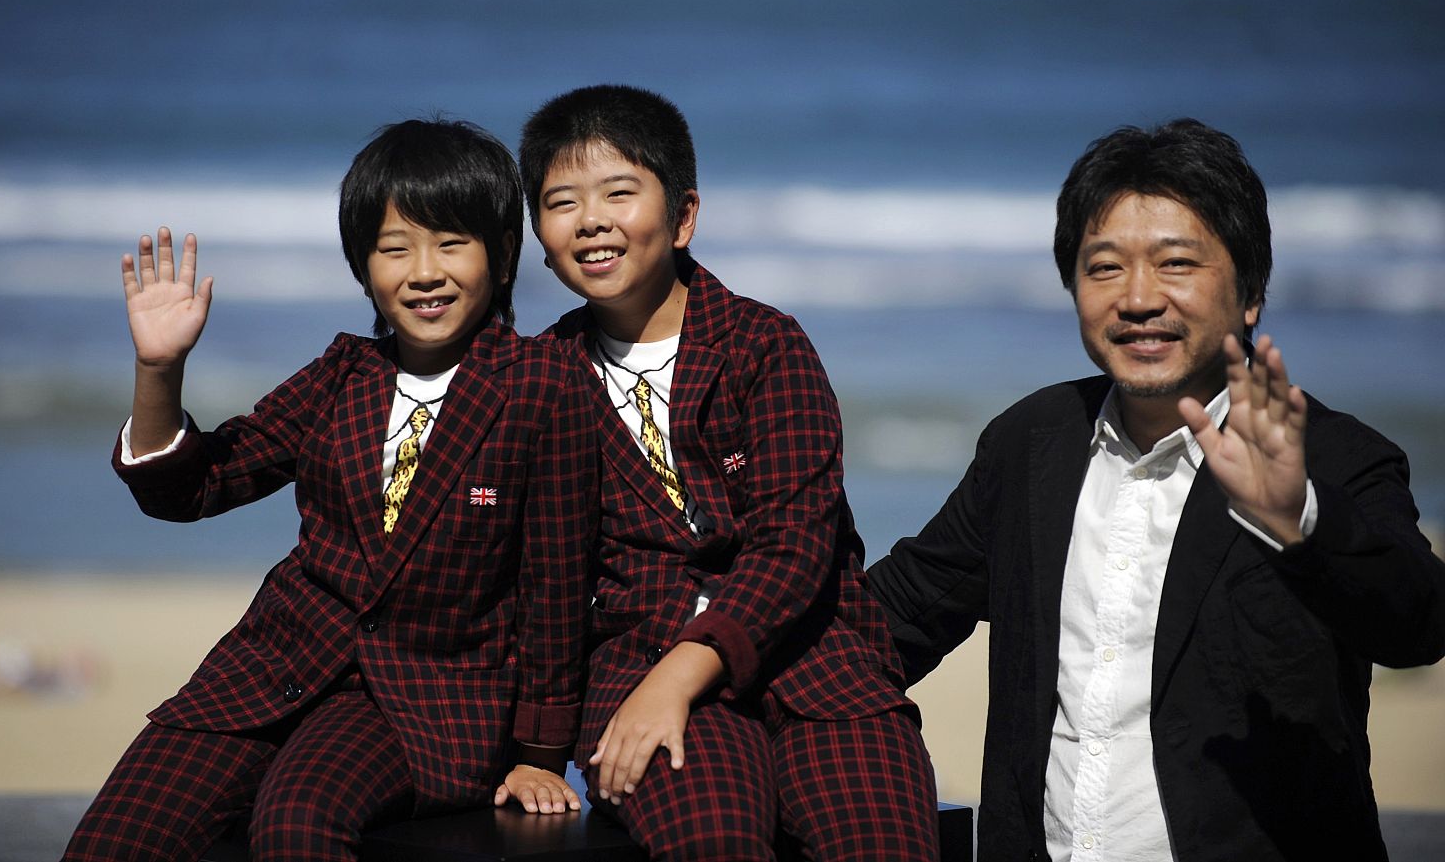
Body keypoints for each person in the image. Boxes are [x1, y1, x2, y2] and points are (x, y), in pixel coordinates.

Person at [867, 119, 1445, 862]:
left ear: (1251, 291)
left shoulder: (1336, 455)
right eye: (1104, 267)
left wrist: (1298, 517)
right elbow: (895, 614)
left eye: (1176, 263)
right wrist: (705, 659)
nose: (1139, 299)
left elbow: (1418, 622)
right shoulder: (1031, 442)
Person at [63, 120, 595, 862]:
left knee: (295, 824)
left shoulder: (545, 384)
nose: (424, 271)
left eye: (451, 243)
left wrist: (541, 748)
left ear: (502, 255)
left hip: (424, 704)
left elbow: (557, 585)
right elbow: (195, 485)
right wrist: (160, 368)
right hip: (269, 670)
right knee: (113, 839)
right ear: (362, 265)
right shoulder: (342, 374)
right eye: (394, 247)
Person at [518, 84, 939, 861]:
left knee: (885, 842)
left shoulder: (764, 345)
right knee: (714, 842)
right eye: (560, 201)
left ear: (682, 217)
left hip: (820, 666)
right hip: (637, 670)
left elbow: (794, 545)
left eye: (619, 191)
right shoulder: (540, 376)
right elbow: (531, 572)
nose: (591, 220)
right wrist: (538, 748)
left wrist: (683, 675)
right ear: (540, 240)